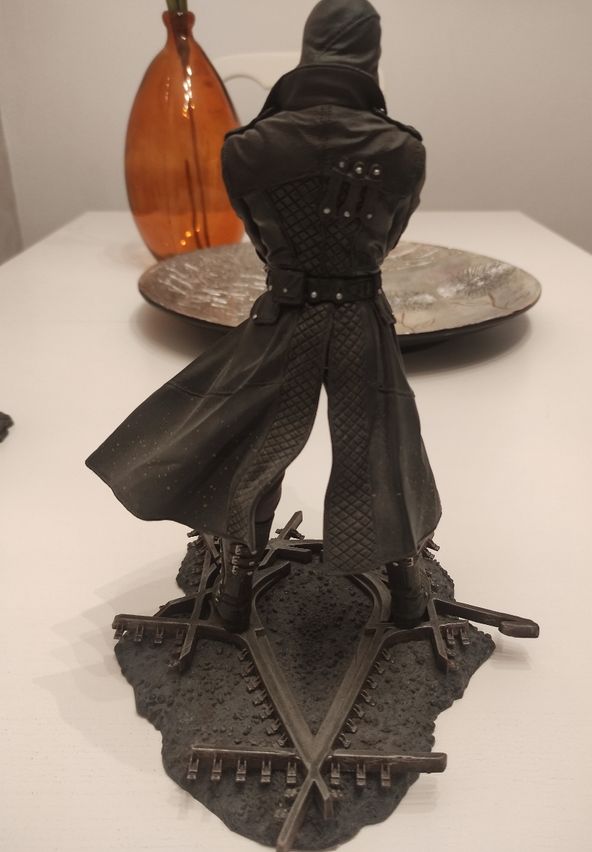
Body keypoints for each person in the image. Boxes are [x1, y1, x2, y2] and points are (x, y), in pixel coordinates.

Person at [86, 0, 441, 632]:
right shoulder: (402, 149)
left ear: (309, 47)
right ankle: (408, 595)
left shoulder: (246, 148)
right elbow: (387, 238)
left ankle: (234, 596)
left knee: (254, 448)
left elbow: (261, 237)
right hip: (361, 318)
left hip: (286, 314)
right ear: (370, 52)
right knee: (386, 450)